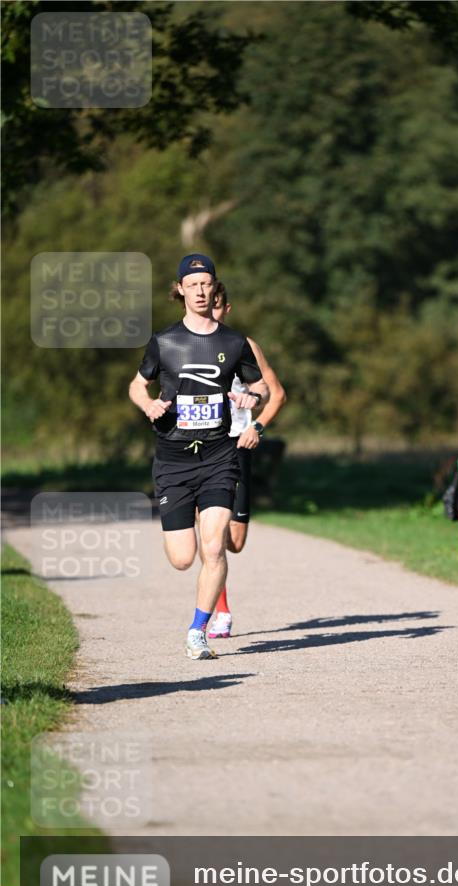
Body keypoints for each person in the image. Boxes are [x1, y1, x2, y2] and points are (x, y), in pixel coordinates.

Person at [129, 253, 267, 659]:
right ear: (181, 290)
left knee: (214, 548)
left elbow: (263, 388)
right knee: (182, 557)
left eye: (206, 284)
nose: (201, 291)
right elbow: (137, 385)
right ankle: (199, 616)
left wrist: (251, 397)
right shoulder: (164, 341)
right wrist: (148, 404)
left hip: (219, 455)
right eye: (192, 285)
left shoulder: (234, 342)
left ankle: (197, 631)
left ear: (214, 288)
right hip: (173, 458)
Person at [206, 280, 287, 638]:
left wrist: (257, 425)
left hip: (237, 446)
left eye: (217, 305)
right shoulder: (183, 345)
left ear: (226, 309)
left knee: (234, 542)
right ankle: (220, 611)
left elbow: (276, 394)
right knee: (211, 533)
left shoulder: (245, 346)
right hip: (200, 447)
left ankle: (216, 562)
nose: (210, 310)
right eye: (205, 303)